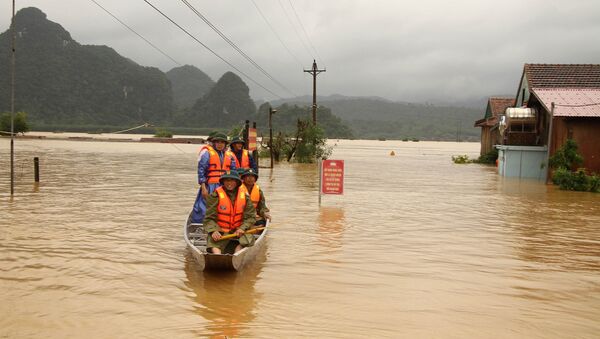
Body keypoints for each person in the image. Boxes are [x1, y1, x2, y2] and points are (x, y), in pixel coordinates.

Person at [204, 171, 256, 254]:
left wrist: (242, 228)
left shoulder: (245, 196)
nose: (229, 183)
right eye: (227, 180)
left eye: (232, 180)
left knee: (247, 240)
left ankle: (237, 254)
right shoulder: (215, 195)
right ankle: (217, 256)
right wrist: (213, 230)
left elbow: (251, 217)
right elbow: (209, 218)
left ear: (237, 182)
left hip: (239, 231)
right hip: (221, 230)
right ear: (223, 182)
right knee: (213, 241)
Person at [191, 132, 237, 223]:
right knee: (205, 206)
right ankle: (201, 225)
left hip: (225, 185)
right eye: (217, 142)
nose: (220, 145)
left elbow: (233, 172)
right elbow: (201, 171)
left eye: (222, 143)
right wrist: (204, 187)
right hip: (210, 185)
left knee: (225, 205)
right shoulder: (207, 154)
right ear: (214, 143)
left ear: (225, 144)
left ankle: (224, 224)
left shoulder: (230, 156)